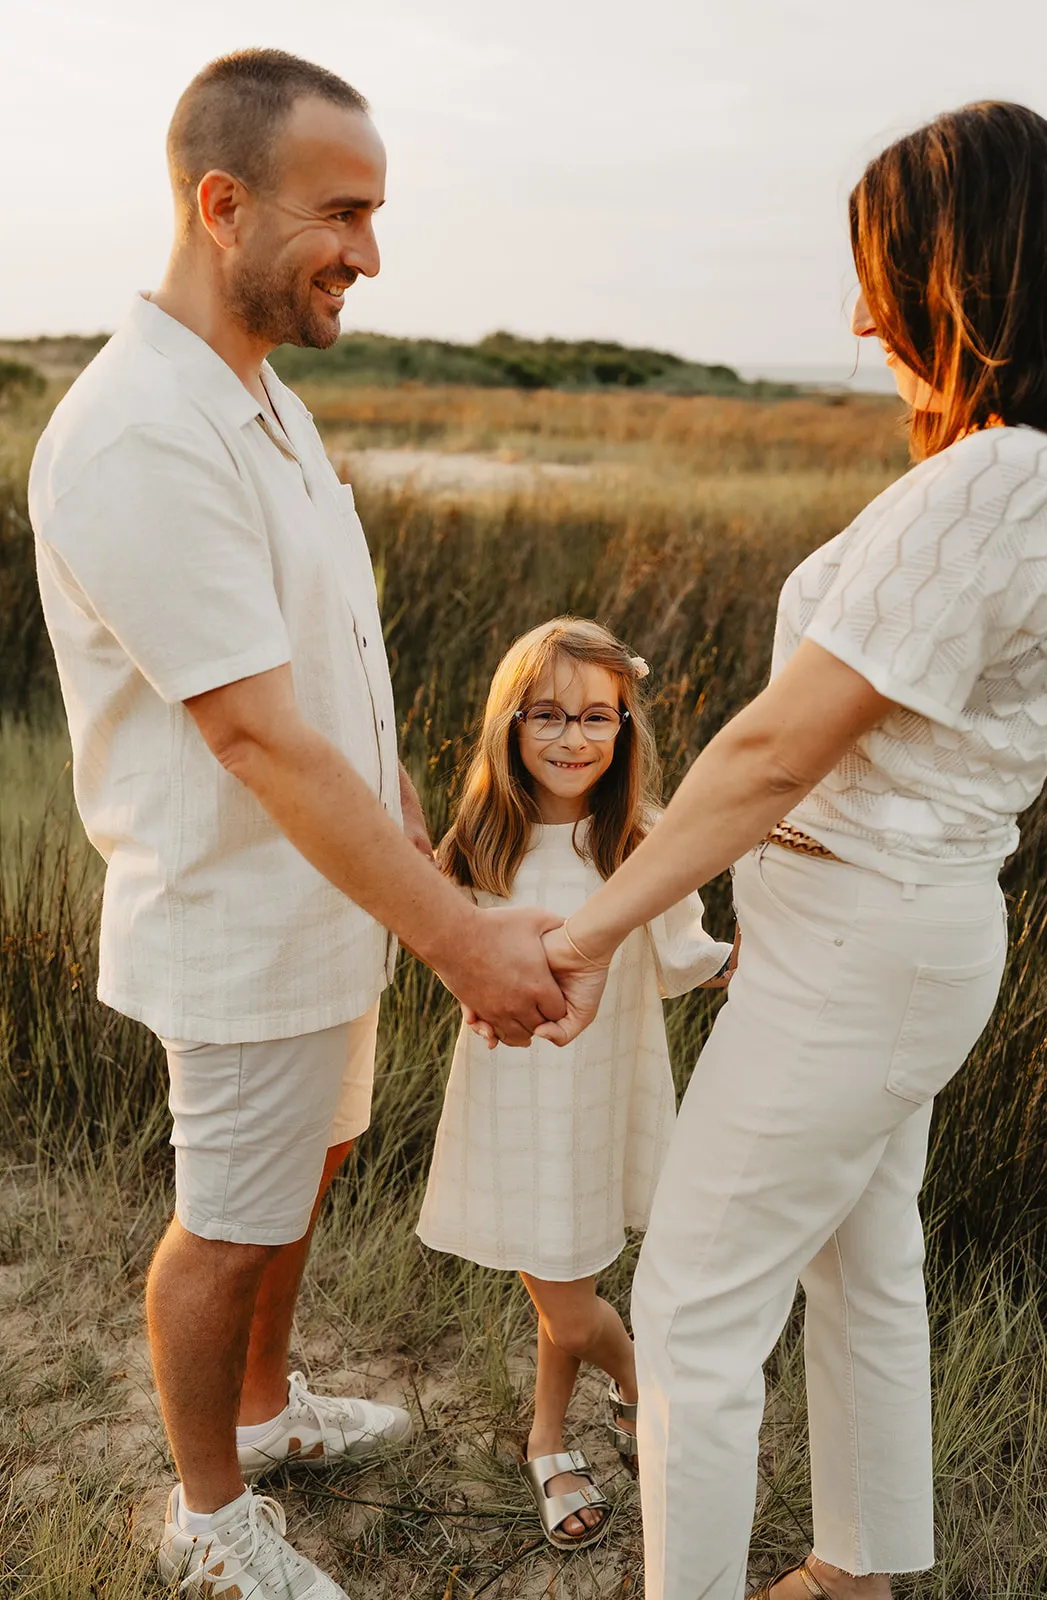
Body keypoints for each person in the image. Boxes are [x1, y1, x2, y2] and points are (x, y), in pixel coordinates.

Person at [28, 49, 566, 1600]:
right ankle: (204, 1517)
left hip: (333, 895)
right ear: (220, 203)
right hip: (237, 908)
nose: (370, 255)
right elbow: (252, 734)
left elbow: (325, 674)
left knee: (306, 1175)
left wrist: (407, 827)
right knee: (224, 1219)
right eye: (343, 213)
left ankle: (265, 1415)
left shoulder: (253, 399)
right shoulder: (141, 429)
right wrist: (459, 934)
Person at [519, 102, 1047, 1600]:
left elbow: (770, 751)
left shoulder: (991, 481)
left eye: (878, 269)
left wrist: (580, 932)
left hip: (856, 950)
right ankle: (858, 1572)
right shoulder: (1039, 474)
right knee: (861, 1255)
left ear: (956, 272)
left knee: (695, 1304)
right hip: (908, 934)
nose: (855, 311)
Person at [417, 618, 735, 1548]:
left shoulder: (639, 837)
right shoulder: (479, 838)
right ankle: (638, 1381)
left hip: (599, 1097)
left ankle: (547, 1439)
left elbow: (683, 953)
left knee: (567, 1275)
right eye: (548, 714)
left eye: (599, 717)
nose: (572, 738)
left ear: (626, 728)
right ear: (509, 725)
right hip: (510, 1093)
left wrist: (757, 965)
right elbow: (445, 950)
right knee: (561, 1294)